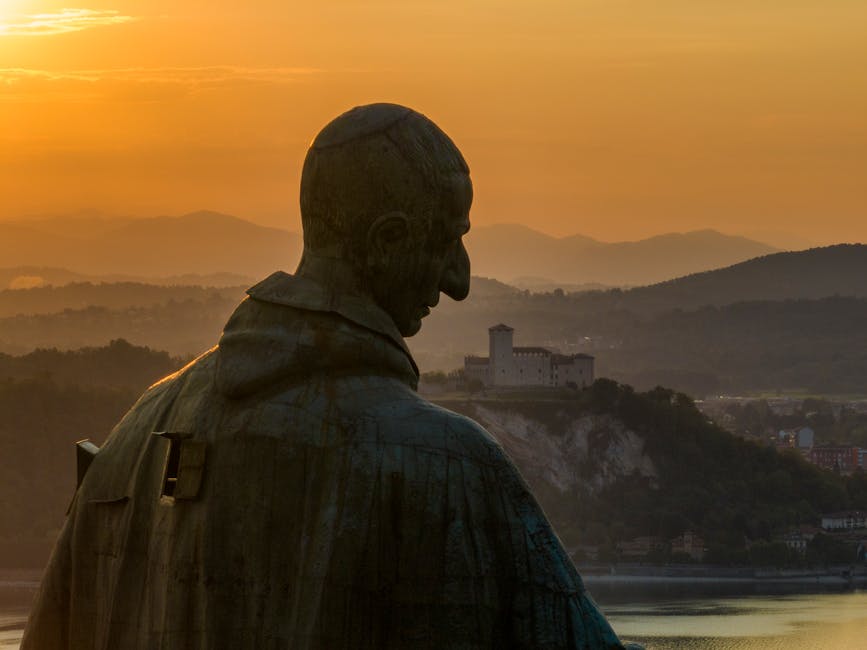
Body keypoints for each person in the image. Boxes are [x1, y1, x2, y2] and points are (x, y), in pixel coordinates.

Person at [22, 103, 639, 649]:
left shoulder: (135, 435)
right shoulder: (449, 468)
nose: (460, 280)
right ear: (388, 240)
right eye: (447, 242)